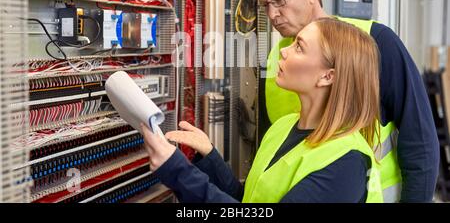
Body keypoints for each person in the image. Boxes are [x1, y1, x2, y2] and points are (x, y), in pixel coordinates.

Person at [238, 0, 439, 202]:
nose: (272, 15)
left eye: (280, 1)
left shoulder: (374, 42)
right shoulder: (277, 58)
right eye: (265, 5)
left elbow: (420, 140)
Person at [141, 18, 384, 203]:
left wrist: (177, 171)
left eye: (299, 47)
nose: (284, 51)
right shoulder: (284, 126)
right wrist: (210, 157)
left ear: (327, 76)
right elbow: (249, 199)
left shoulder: (346, 163)